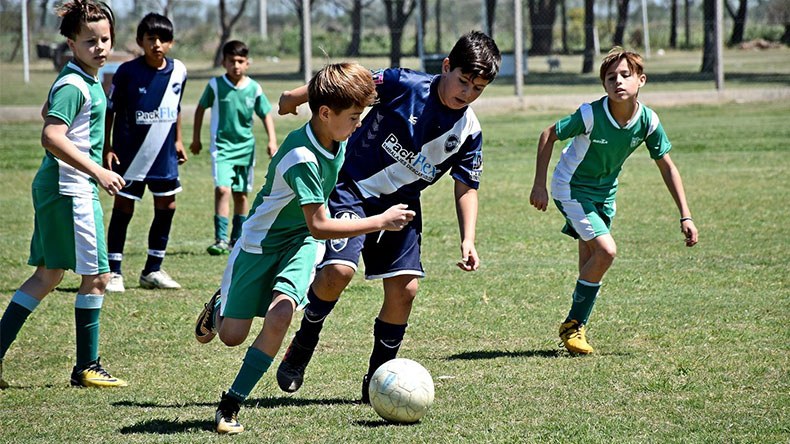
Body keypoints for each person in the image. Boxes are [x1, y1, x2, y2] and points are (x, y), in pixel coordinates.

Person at [275, 31, 501, 403]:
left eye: (478, 88)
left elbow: (466, 187)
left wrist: (468, 238)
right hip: (351, 187)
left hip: (402, 207)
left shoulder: (469, 132)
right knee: (337, 272)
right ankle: (304, 340)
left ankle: (379, 379)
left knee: (406, 288)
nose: (467, 93)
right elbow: (346, 84)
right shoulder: (403, 83)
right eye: (463, 81)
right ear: (446, 67)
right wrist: (294, 97)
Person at [192, 62, 416, 434]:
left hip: (300, 243)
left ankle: (231, 404)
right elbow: (321, 224)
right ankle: (220, 306)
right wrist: (381, 220)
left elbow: (310, 232)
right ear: (325, 114)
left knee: (281, 316)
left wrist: (294, 96)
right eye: (354, 116)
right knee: (232, 337)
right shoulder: (303, 157)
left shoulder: (336, 136)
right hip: (258, 245)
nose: (359, 123)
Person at [529, 47, 699, 354]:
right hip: (571, 187)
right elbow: (548, 135)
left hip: (605, 194)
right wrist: (539, 185)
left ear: (641, 80)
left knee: (590, 260)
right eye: (611, 77)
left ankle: (575, 332)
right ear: (603, 85)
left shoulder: (648, 121)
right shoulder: (590, 114)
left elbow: (667, 166)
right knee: (606, 252)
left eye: (625, 75)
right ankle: (573, 324)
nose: (618, 81)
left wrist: (685, 214)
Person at [0, 0, 127, 389]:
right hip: (71, 188)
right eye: (90, 41)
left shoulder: (79, 79)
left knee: (49, 274)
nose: (100, 47)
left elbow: (48, 113)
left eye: (105, 39)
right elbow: (51, 134)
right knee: (98, 277)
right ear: (70, 43)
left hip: (58, 185)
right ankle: (87, 366)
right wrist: (97, 170)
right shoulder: (76, 83)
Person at [103, 13, 188, 292]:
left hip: (163, 155)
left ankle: (153, 270)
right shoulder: (127, 72)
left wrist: (178, 141)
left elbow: (174, 109)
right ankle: (114, 272)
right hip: (130, 154)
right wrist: (107, 146)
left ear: (171, 43)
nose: (157, 44)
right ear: (140, 41)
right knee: (124, 206)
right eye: (151, 39)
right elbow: (110, 110)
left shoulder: (179, 72)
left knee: (168, 206)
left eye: (163, 39)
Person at [190, 40, 278, 256]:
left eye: (240, 61)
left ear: (247, 63)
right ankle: (220, 239)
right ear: (223, 62)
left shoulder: (254, 88)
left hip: (245, 149)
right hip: (222, 148)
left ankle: (236, 239)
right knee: (222, 189)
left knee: (240, 194)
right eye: (231, 61)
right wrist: (196, 138)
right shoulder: (215, 85)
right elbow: (201, 108)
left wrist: (272, 140)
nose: (236, 65)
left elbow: (265, 113)